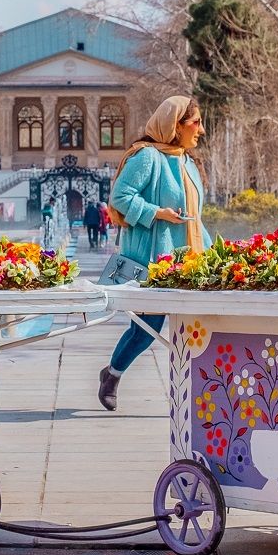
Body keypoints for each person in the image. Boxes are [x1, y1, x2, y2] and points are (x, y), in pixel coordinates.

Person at [98, 96, 210, 411]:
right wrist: (157, 212)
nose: (200, 130)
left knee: (195, 327)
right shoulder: (147, 157)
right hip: (152, 262)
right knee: (148, 328)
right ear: (175, 125)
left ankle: (195, 393)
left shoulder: (187, 162)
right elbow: (120, 197)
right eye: (196, 122)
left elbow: (195, 220)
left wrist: (218, 253)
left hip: (187, 263)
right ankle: (112, 374)